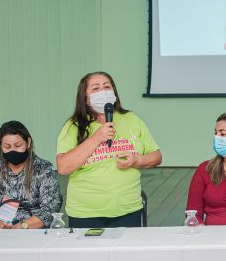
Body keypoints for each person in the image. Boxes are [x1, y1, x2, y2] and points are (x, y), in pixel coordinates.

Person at [56, 72, 161, 228]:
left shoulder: (131, 119)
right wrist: (96, 138)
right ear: (86, 98)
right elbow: (63, 167)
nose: (103, 92)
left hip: (128, 209)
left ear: (114, 93)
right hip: (85, 212)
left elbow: (157, 156)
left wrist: (137, 160)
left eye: (107, 87)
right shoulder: (73, 126)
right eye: (96, 88)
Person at [0, 121, 62, 229]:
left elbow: (51, 209)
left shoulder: (43, 169)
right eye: (7, 146)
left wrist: (22, 226)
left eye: (18, 145)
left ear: (28, 142)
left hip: (34, 233)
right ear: (0, 145)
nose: (13, 150)